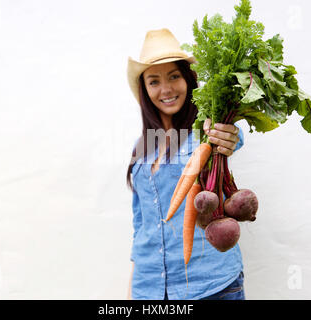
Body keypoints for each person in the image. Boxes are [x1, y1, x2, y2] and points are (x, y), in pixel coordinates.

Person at [126, 28, 245, 300]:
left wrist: (227, 134)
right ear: (145, 89)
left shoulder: (206, 130)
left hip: (212, 284)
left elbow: (230, 137)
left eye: (174, 76)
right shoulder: (141, 147)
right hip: (150, 290)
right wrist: (133, 289)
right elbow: (140, 225)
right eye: (154, 81)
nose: (166, 89)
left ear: (188, 79)